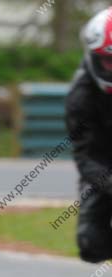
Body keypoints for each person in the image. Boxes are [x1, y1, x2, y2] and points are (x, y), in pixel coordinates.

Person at [66, 7, 112, 263]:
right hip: (103, 163)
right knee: (90, 244)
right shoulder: (81, 97)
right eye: (108, 62)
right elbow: (85, 157)